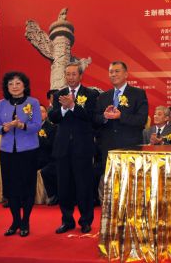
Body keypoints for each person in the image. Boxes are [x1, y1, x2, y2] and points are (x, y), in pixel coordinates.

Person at [49, 62, 98, 234]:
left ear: (80, 75)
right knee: (64, 186)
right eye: (67, 74)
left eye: (73, 74)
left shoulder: (90, 94)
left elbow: (91, 118)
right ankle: (67, 220)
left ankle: (85, 221)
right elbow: (53, 117)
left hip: (82, 148)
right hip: (62, 148)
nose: (70, 77)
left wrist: (73, 106)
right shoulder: (59, 95)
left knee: (84, 185)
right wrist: (63, 109)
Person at [0, 72, 41, 237]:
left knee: (27, 187)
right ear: (6, 87)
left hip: (28, 151)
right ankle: (15, 221)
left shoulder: (33, 103)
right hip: (8, 151)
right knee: (11, 187)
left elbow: (37, 125)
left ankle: (25, 221)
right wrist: (4, 128)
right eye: (10, 84)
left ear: (24, 85)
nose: (14, 86)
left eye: (18, 83)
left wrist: (22, 126)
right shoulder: (0, 104)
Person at [94, 61, 148, 174]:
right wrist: (104, 116)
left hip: (130, 147)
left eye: (117, 71)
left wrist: (121, 116)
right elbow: (95, 119)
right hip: (108, 148)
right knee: (111, 184)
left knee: (129, 183)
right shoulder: (103, 96)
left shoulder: (138, 94)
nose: (113, 74)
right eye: (111, 72)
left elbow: (141, 120)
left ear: (126, 74)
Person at [37, 104, 58, 206]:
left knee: (46, 172)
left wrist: (41, 137)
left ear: (46, 114)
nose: (40, 114)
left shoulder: (52, 127)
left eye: (43, 111)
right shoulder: (30, 127)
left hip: (48, 158)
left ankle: (53, 195)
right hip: (34, 158)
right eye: (38, 111)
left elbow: (51, 146)